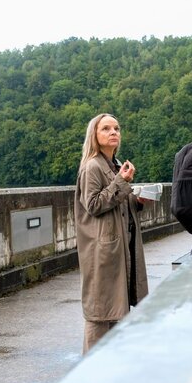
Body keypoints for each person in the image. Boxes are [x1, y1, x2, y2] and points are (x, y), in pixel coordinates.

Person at [74, 113, 151, 354]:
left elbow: (116, 205)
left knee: (118, 313)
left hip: (120, 250)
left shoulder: (115, 165)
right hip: (102, 252)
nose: (113, 132)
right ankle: (91, 376)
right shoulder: (92, 167)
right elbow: (94, 205)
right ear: (94, 136)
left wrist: (137, 201)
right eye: (106, 128)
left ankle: (111, 374)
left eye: (116, 128)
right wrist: (121, 182)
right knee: (100, 314)